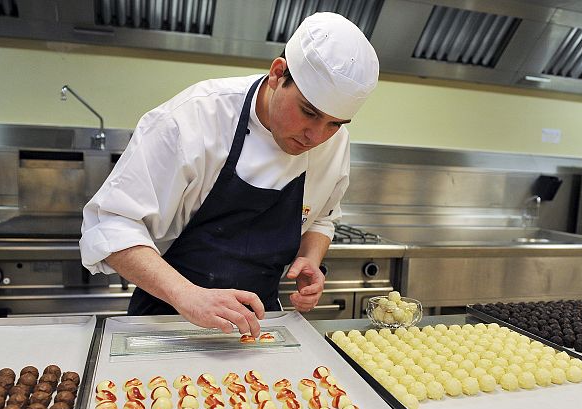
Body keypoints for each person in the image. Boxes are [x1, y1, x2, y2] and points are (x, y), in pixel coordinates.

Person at [80, 12, 379, 337]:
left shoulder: (334, 143)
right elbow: (112, 225)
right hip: (167, 321)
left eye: (335, 124)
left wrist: (310, 256)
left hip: (258, 327)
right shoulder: (192, 119)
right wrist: (188, 296)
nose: (316, 136)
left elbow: (322, 218)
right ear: (277, 74)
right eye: (309, 112)